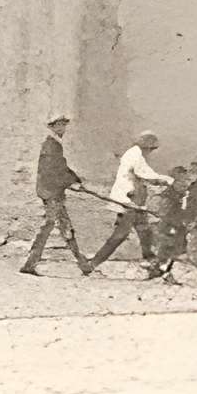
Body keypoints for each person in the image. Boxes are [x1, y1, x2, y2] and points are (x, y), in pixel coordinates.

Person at [84, 130, 174, 274]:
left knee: (145, 234)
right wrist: (166, 180)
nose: (150, 152)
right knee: (120, 235)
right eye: (150, 148)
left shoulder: (137, 154)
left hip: (137, 203)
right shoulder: (134, 154)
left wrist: (162, 179)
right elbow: (144, 173)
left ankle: (153, 265)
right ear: (146, 146)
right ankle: (92, 264)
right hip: (128, 202)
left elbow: (146, 172)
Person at [20, 115, 89, 275]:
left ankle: (81, 262)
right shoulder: (51, 145)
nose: (63, 128)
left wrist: (75, 179)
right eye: (60, 125)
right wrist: (71, 182)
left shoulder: (54, 144)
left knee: (62, 224)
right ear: (52, 127)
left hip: (54, 191)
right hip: (51, 192)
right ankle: (30, 263)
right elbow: (54, 171)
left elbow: (62, 166)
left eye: (64, 125)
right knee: (51, 224)